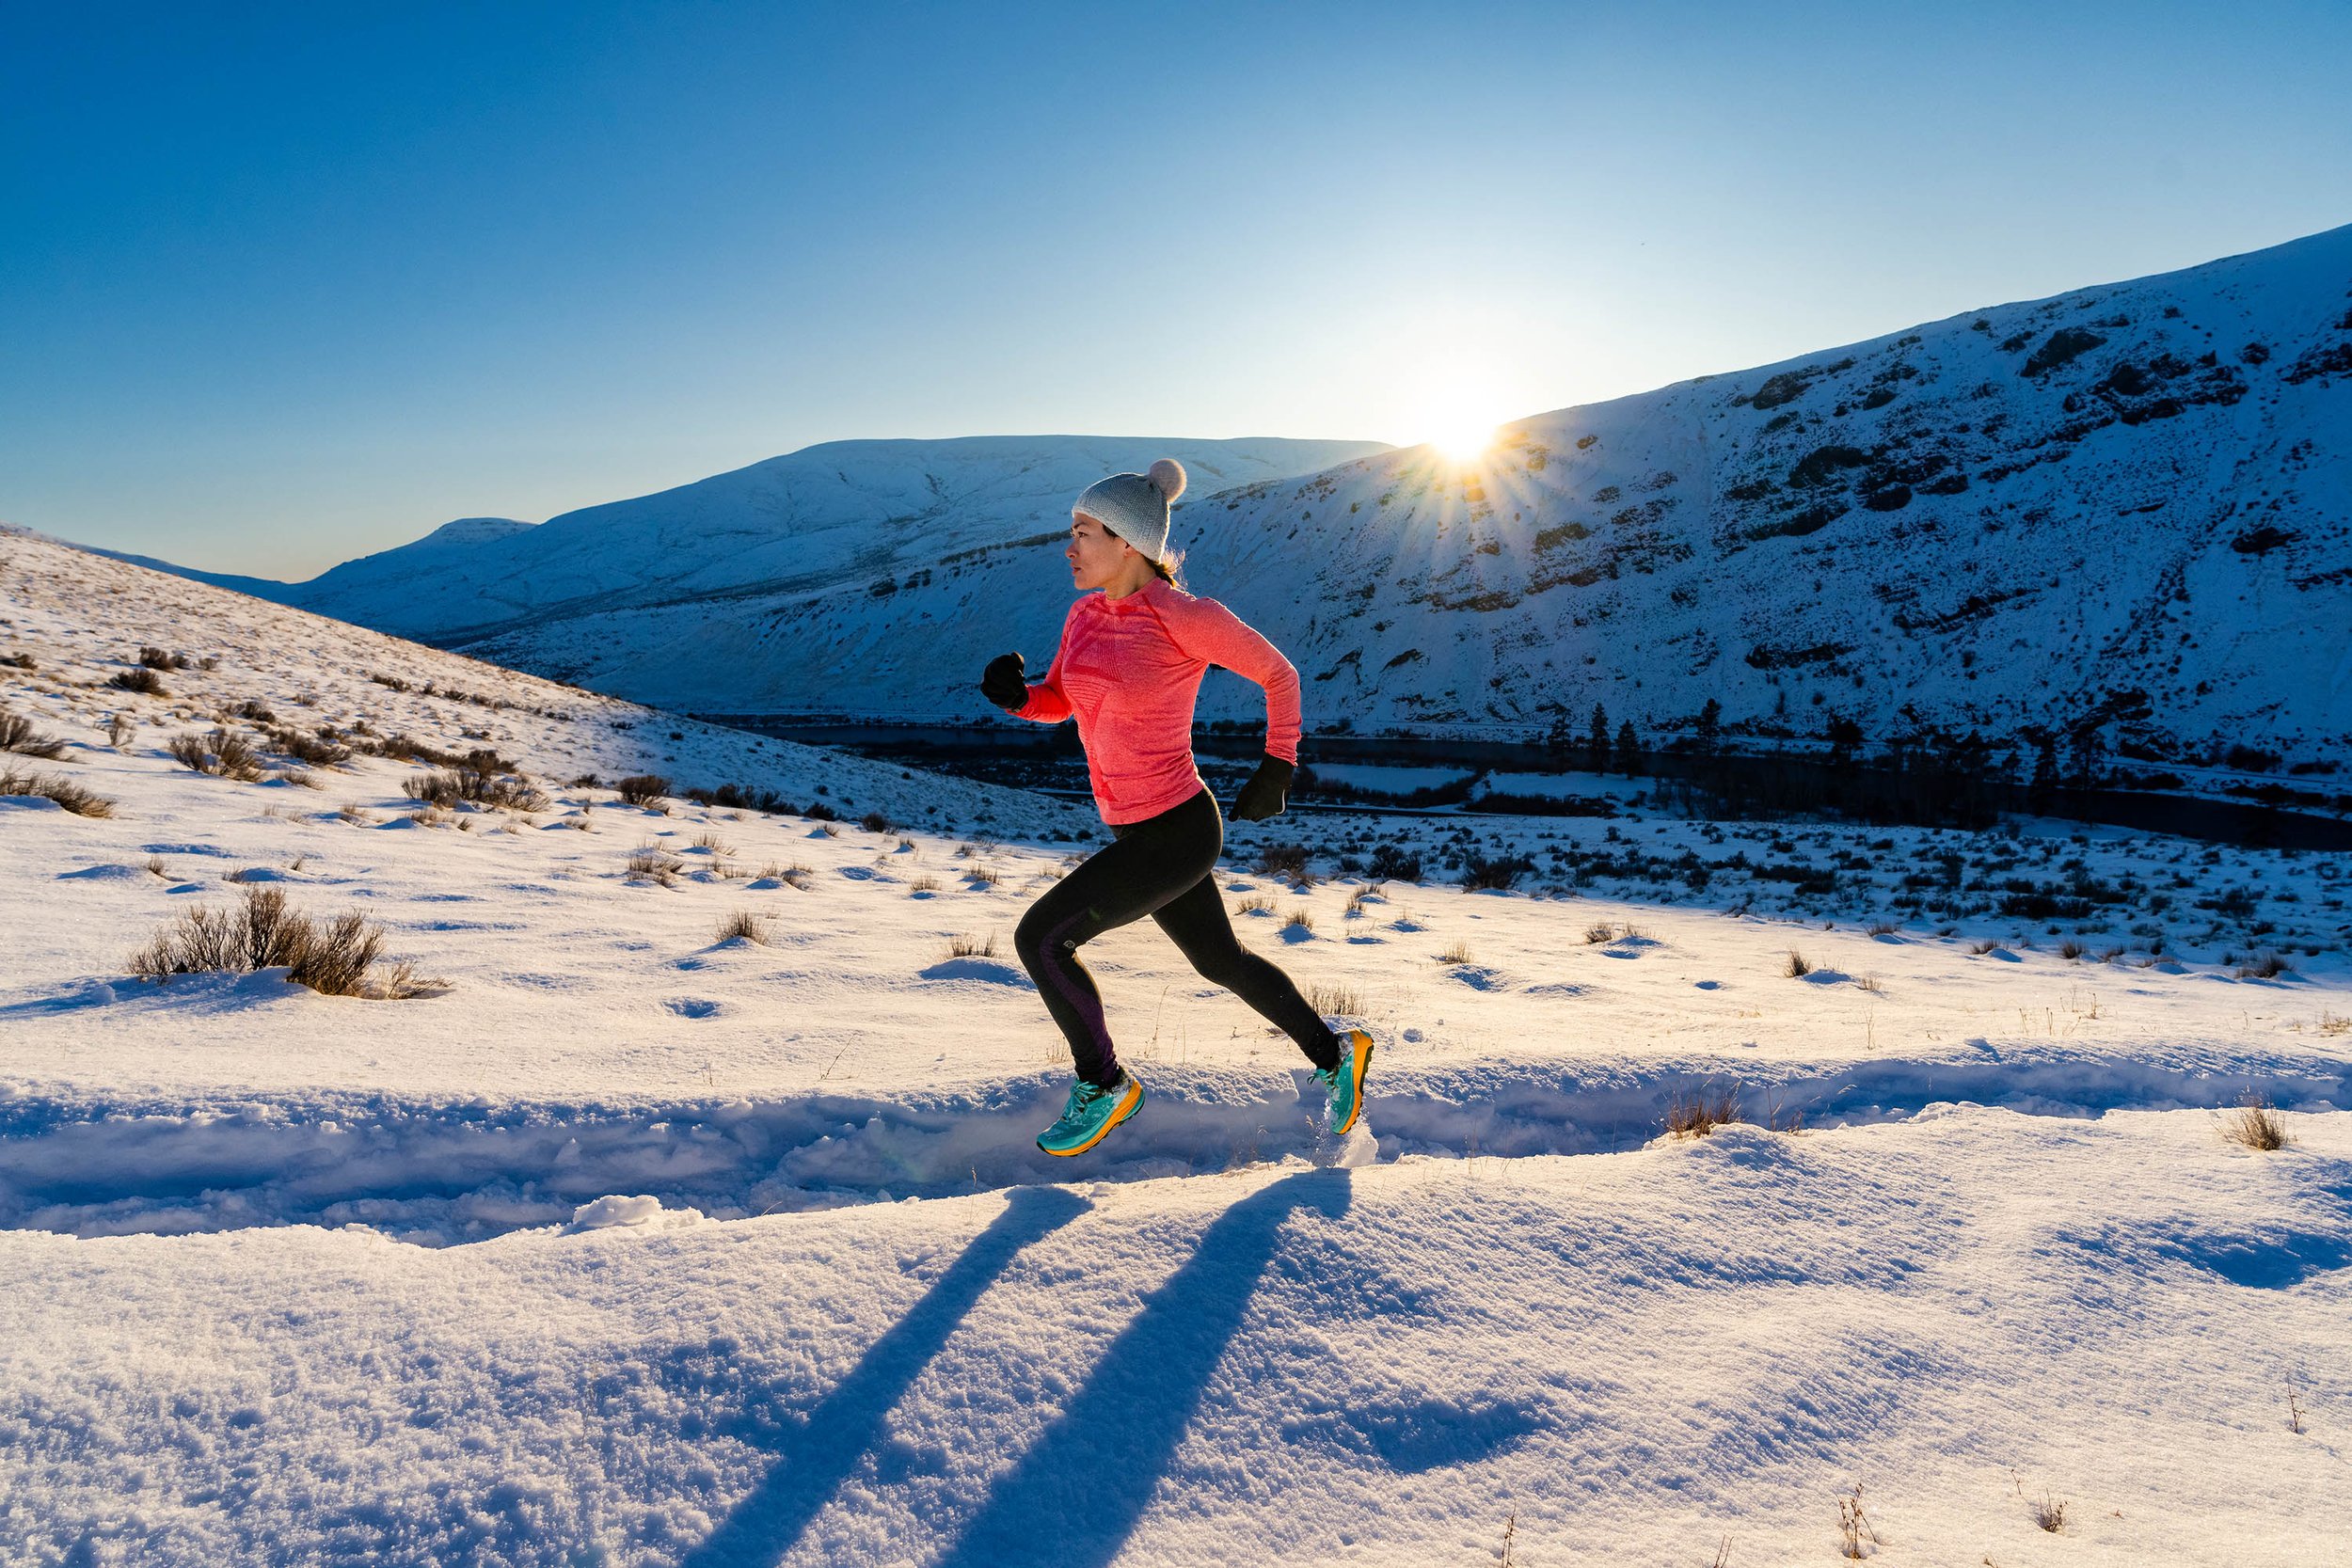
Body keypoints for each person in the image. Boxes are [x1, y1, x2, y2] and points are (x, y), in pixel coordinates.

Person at [980, 458, 1375, 1157]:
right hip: (1135, 828)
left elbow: (1279, 675)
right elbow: (1062, 699)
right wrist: (1018, 699)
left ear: (1128, 542)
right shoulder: (1084, 616)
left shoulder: (1185, 618)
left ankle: (1104, 1083)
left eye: (1082, 532)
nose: (1067, 547)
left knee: (1041, 940)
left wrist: (1278, 764)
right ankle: (1335, 1053)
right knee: (1221, 960)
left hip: (1178, 829)